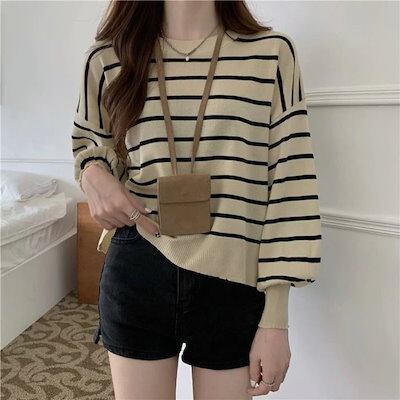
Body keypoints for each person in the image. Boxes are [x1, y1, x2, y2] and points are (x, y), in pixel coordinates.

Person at [71, 1, 322, 398]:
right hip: (139, 263)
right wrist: (92, 175)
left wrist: (275, 317)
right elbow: (90, 145)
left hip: (233, 279)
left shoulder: (272, 55)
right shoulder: (108, 57)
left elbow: (290, 184)